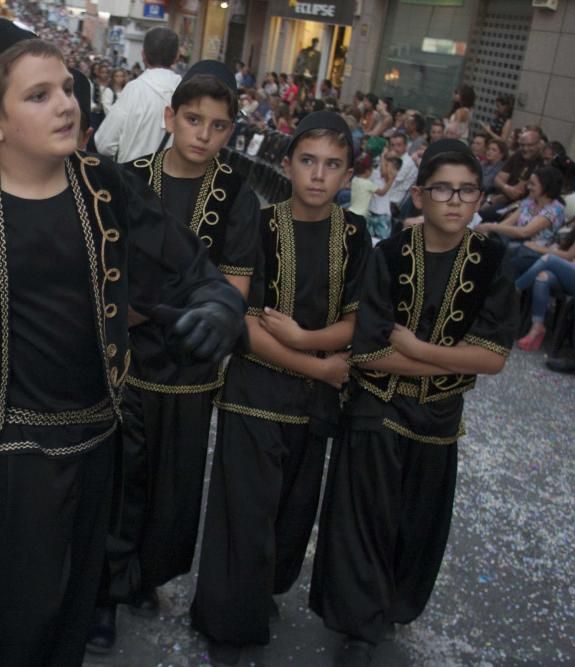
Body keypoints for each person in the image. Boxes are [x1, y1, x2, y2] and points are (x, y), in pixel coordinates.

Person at [0, 18, 246, 666]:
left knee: (60, 619)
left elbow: (191, 267)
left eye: (66, 87)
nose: (66, 102)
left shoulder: (109, 188)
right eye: (39, 95)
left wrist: (220, 303)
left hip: (93, 450)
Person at [310, 139, 517, 664]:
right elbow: (371, 352)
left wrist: (419, 348)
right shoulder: (391, 255)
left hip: (439, 418)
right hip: (378, 408)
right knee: (366, 519)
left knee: (417, 524)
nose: (455, 200)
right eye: (443, 188)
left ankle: (391, 607)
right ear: (421, 195)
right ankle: (360, 628)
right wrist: (451, 357)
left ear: (478, 198)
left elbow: (492, 358)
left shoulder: (492, 261)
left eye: (467, 190)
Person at [87, 60, 261, 654]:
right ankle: (103, 594)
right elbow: (98, 272)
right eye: (192, 119)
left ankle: (142, 576)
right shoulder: (127, 178)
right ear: (169, 118)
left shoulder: (239, 195)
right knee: (115, 483)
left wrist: (165, 308)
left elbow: (233, 292)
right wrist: (127, 308)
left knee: (172, 492)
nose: (203, 135)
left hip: (190, 369)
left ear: (231, 132)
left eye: (217, 125)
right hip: (126, 364)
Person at [190, 112, 371, 665]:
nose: (318, 175)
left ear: (347, 175)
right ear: (287, 164)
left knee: (293, 514)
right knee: (243, 511)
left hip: (313, 408)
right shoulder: (259, 225)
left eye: (333, 165)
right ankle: (226, 623)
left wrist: (306, 335)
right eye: (308, 161)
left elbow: (359, 322)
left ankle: (258, 594)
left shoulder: (356, 235)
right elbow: (244, 322)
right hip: (255, 392)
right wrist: (316, 363)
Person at [95, 27, 181, 162]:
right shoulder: (187, 93)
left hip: (133, 178)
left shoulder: (134, 90)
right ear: (177, 56)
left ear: (143, 55)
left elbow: (104, 144)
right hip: (173, 181)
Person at [512, 214, 575, 351]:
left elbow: (572, 257)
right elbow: (572, 254)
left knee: (548, 259)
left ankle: (512, 291)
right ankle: (536, 327)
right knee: (542, 277)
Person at [477, 165, 565, 276]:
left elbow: (525, 232)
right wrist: (488, 231)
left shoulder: (555, 209)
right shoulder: (530, 202)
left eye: (533, 184)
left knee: (501, 254)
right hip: (515, 243)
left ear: (545, 186)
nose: (528, 187)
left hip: (534, 251)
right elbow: (505, 224)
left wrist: (489, 226)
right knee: (490, 242)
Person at [478, 125, 545, 222]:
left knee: (484, 214)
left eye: (530, 145)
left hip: (517, 205)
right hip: (498, 196)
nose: (525, 148)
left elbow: (517, 193)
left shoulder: (540, 163)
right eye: (522, 145)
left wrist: (496, 197)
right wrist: (506, 188)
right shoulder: (518, 155)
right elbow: (497, 179)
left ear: (539, 144)